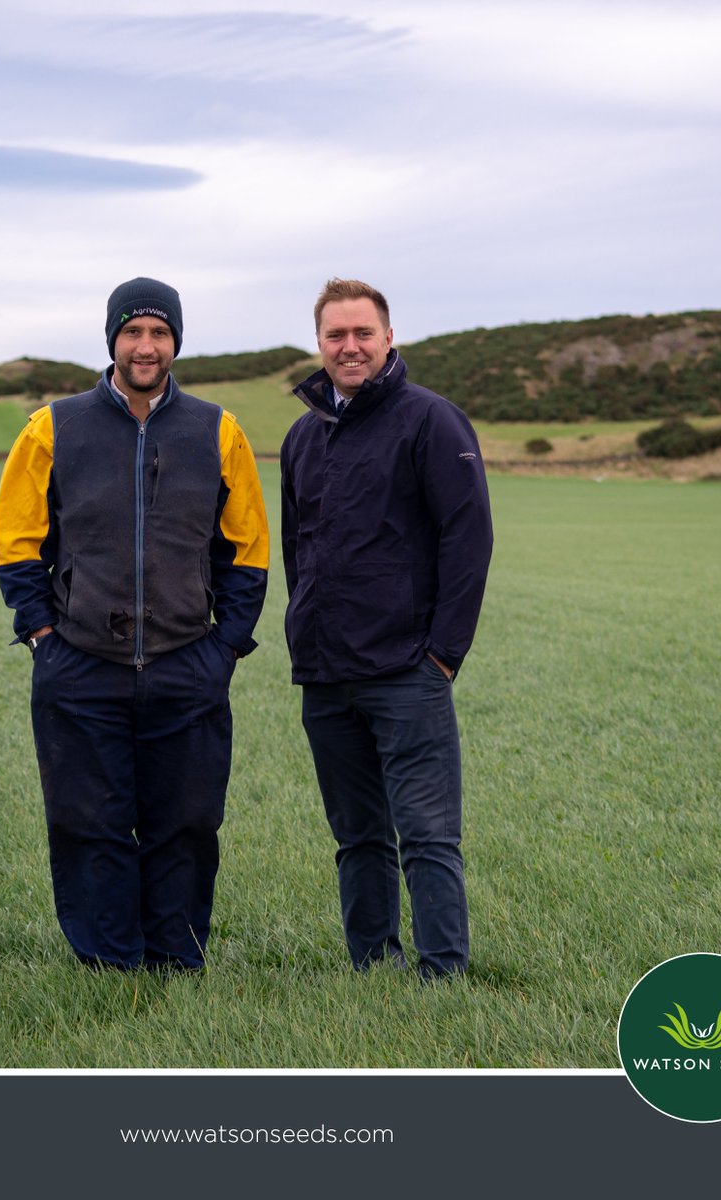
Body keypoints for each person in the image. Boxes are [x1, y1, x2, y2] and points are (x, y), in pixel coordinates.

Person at [0, 277, 269, 971]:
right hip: (80, 664)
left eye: (159, 332)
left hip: (187, 664)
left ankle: (176, 958)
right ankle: (109, 960)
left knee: (188, 822)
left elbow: (249, 551)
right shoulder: (52, 426)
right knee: (88, 822)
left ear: (177, 340)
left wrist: (226, 647)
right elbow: (18, 542)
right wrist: (41, 637)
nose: (146, 346)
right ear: (111, 340)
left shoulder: (219, 430)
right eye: (132, 331)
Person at [280, 278, 493, 980]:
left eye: (363, 333)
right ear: (319, 343)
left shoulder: (431, 421)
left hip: (408, 672)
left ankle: (443, 973)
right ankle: (372, 965)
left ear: (389, 337)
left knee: (428, 835)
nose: (349, 347)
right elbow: (298, 548)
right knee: (357, 837)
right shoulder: (303, 436)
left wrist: (442, 656)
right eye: (336, 335)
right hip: (327, 673)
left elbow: (468, 539)